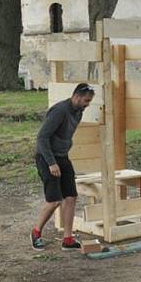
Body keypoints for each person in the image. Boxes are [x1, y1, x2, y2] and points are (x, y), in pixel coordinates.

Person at [30, 83, 95, 251]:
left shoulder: (78, 111)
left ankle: (68, 239)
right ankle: (36, 232)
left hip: (62, 156)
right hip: (46, 157)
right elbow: (42, 138)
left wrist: (63, 154)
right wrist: (51, 163)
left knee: (71, 197)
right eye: (86, 100)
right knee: (54, 201)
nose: (87, 104)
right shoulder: (59, 111)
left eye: (89, 101)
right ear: (76, 96)